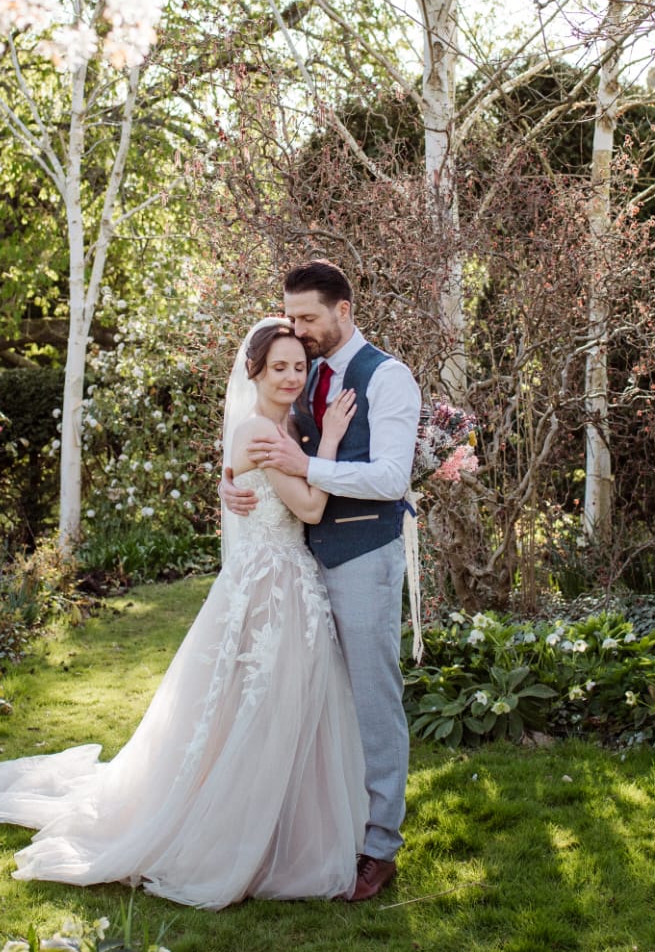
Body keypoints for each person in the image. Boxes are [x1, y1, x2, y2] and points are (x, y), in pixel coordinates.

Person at [0, 318, 367, 909]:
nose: (290, 376)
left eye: (297, 366)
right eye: (278, 366)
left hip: (286, 582)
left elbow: (257, 494)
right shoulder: (262, 432)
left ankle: (282, 826)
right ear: (253, 371)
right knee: (256, 706)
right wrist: (331, 440)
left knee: (277, 707)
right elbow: (309, 508)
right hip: (270, 589)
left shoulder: (284, 425)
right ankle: (232, 833)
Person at [220, 259, 421, 904]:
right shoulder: (300, 374)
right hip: (299, 562)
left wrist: (312, 464)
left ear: (344, 309)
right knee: (311, 701)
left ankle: (380, 844)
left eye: (308, 318)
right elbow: (263, 438)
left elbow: (392, 478)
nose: (297, 331)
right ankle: (317, 829)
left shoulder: (388, 377)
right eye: (292, 318)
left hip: (363, 553)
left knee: (371, 698)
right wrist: (232, 483)